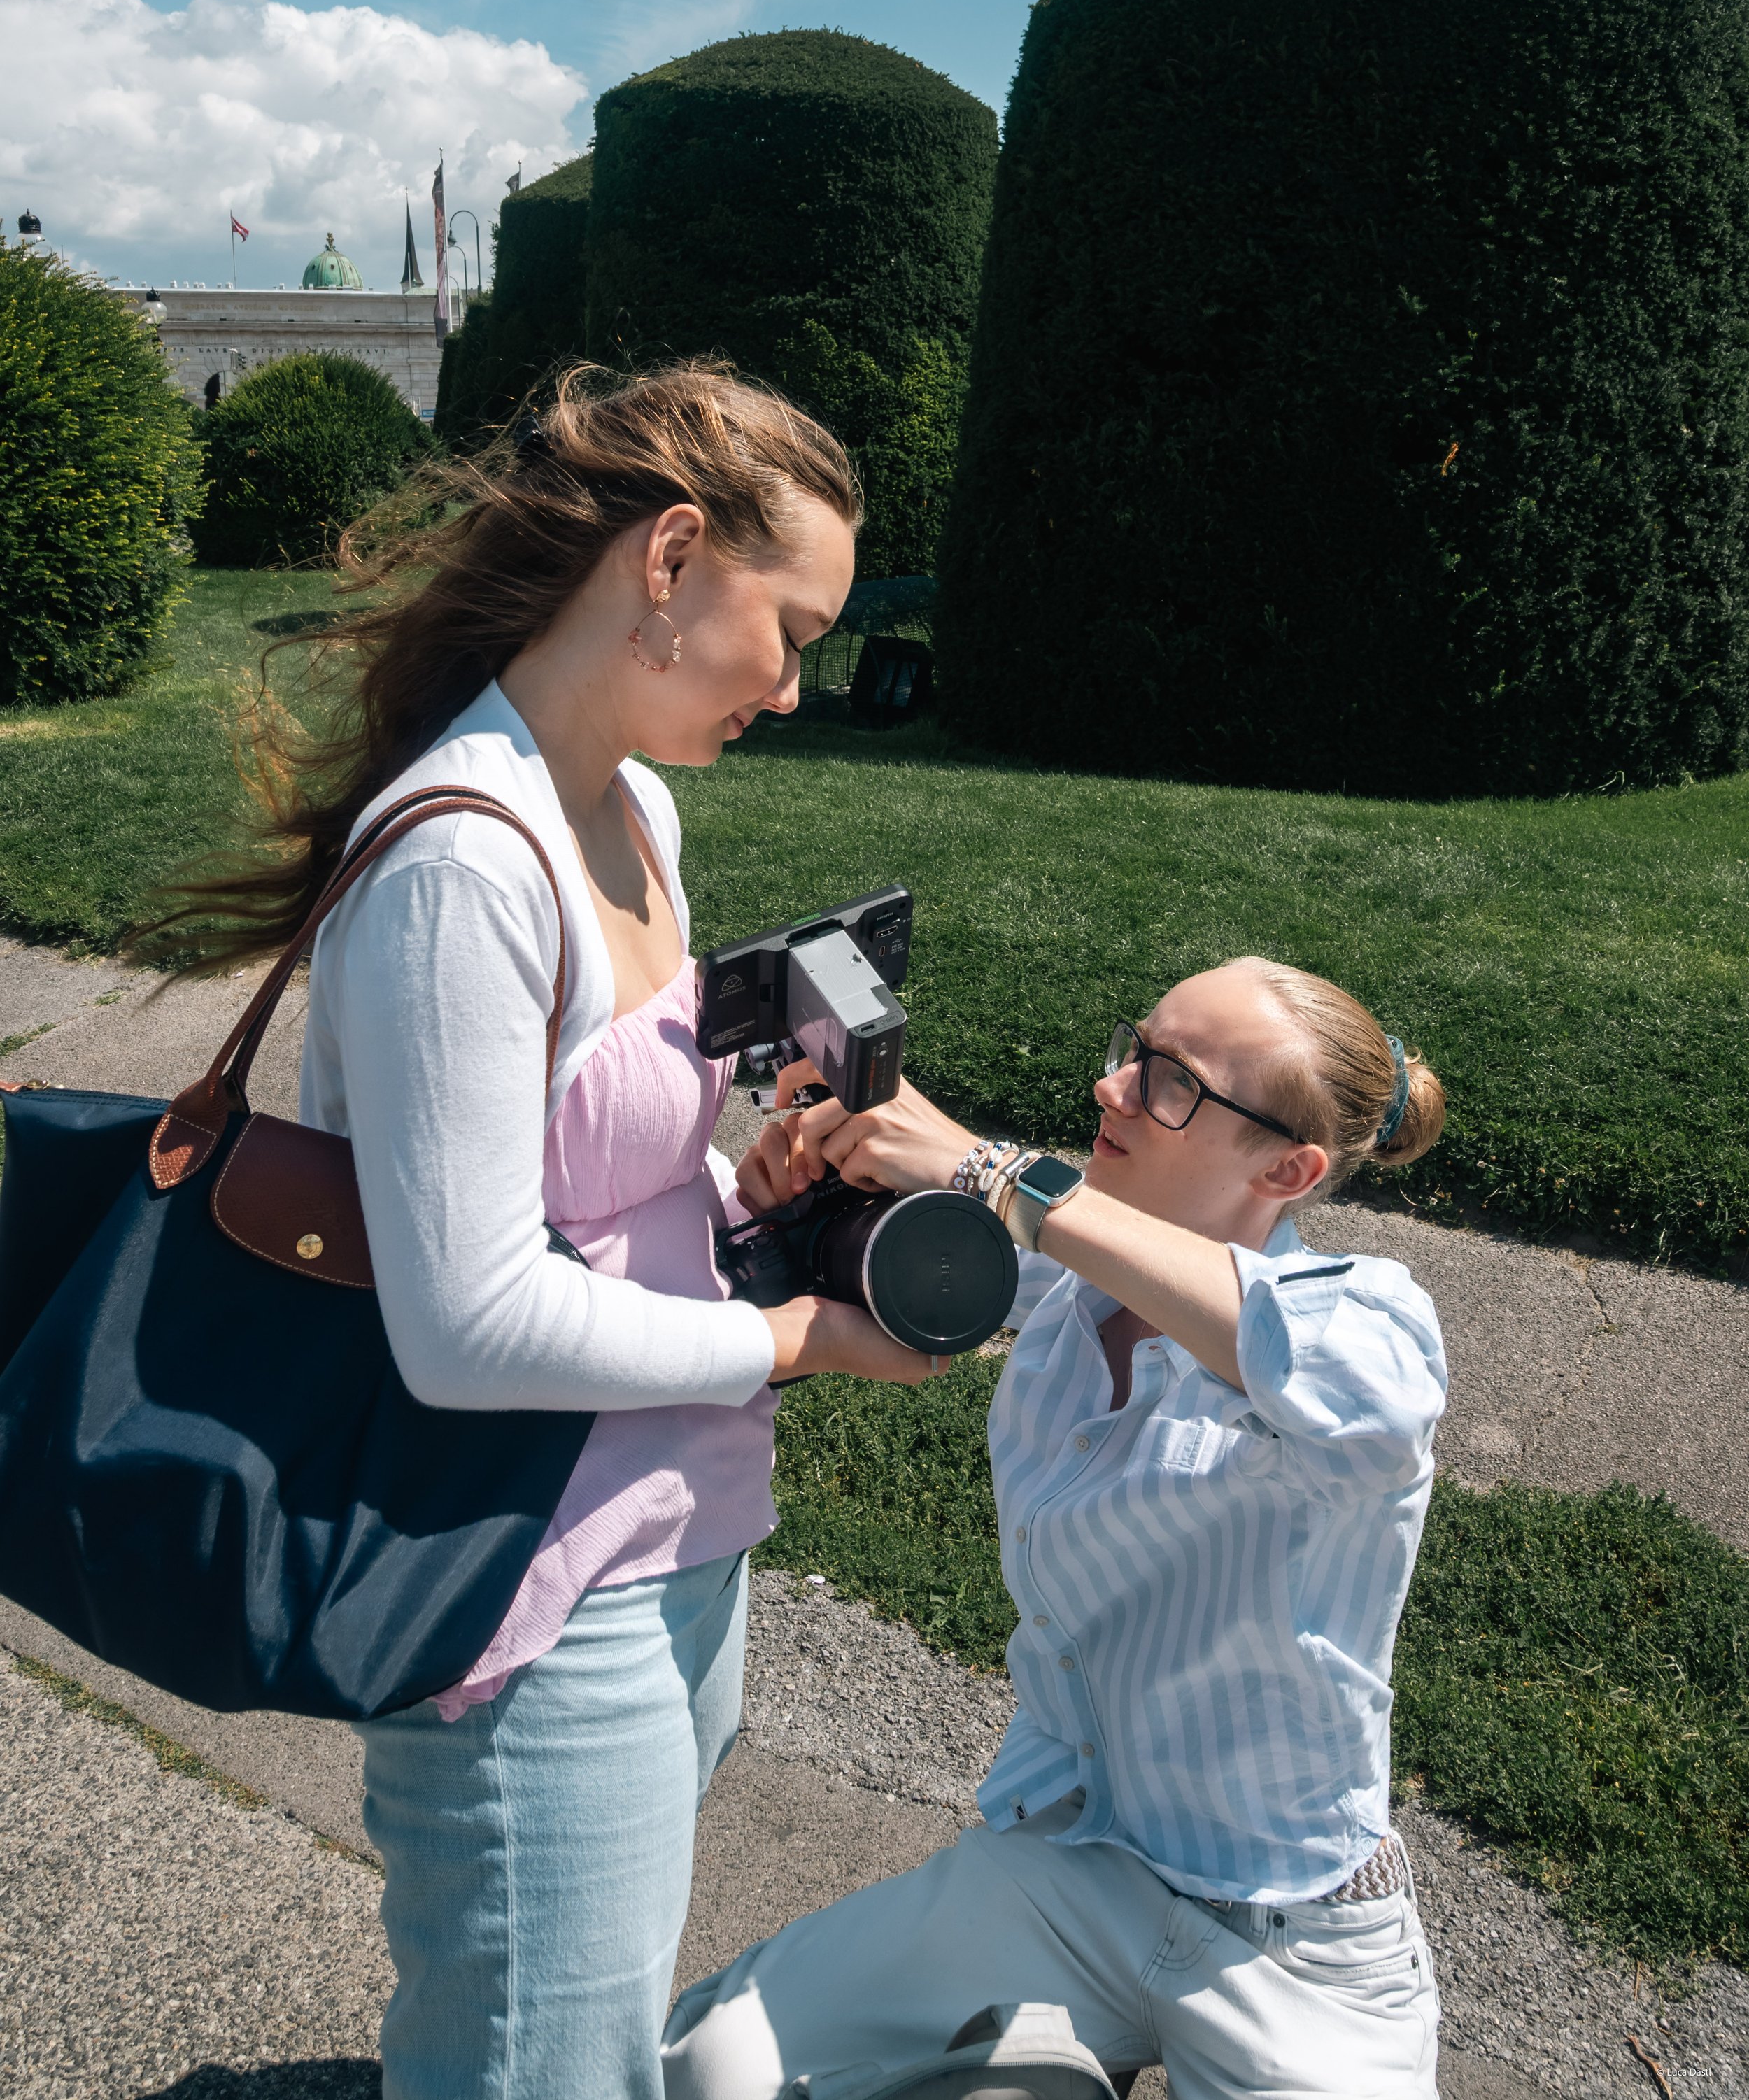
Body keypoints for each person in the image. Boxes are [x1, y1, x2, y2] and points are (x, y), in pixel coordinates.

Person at [147, 366, 942, 2100]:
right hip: (520, 1576)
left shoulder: (634, 809)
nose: (797, 688)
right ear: (671, 558)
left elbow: (605, 1178)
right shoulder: (465, 867)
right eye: (788, 629)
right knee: (542, 2071)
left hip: (678, 1516)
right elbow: (468, 1324)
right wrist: (800, 1338)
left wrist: (751, 1181)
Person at [663, 958, 1450, 2100]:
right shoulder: (1066, 1286)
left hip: (1295, 1939)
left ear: (1290, 1168)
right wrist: (806, 1190)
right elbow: (889, 1256)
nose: (1111, 1086)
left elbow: (1337, 1375)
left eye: (1172, 1083)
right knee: (712, 2065)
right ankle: (1032, 2073)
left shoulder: (1365, 1324)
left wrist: (985, 1167)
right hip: (1075, 1864)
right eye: (1136, 1048)